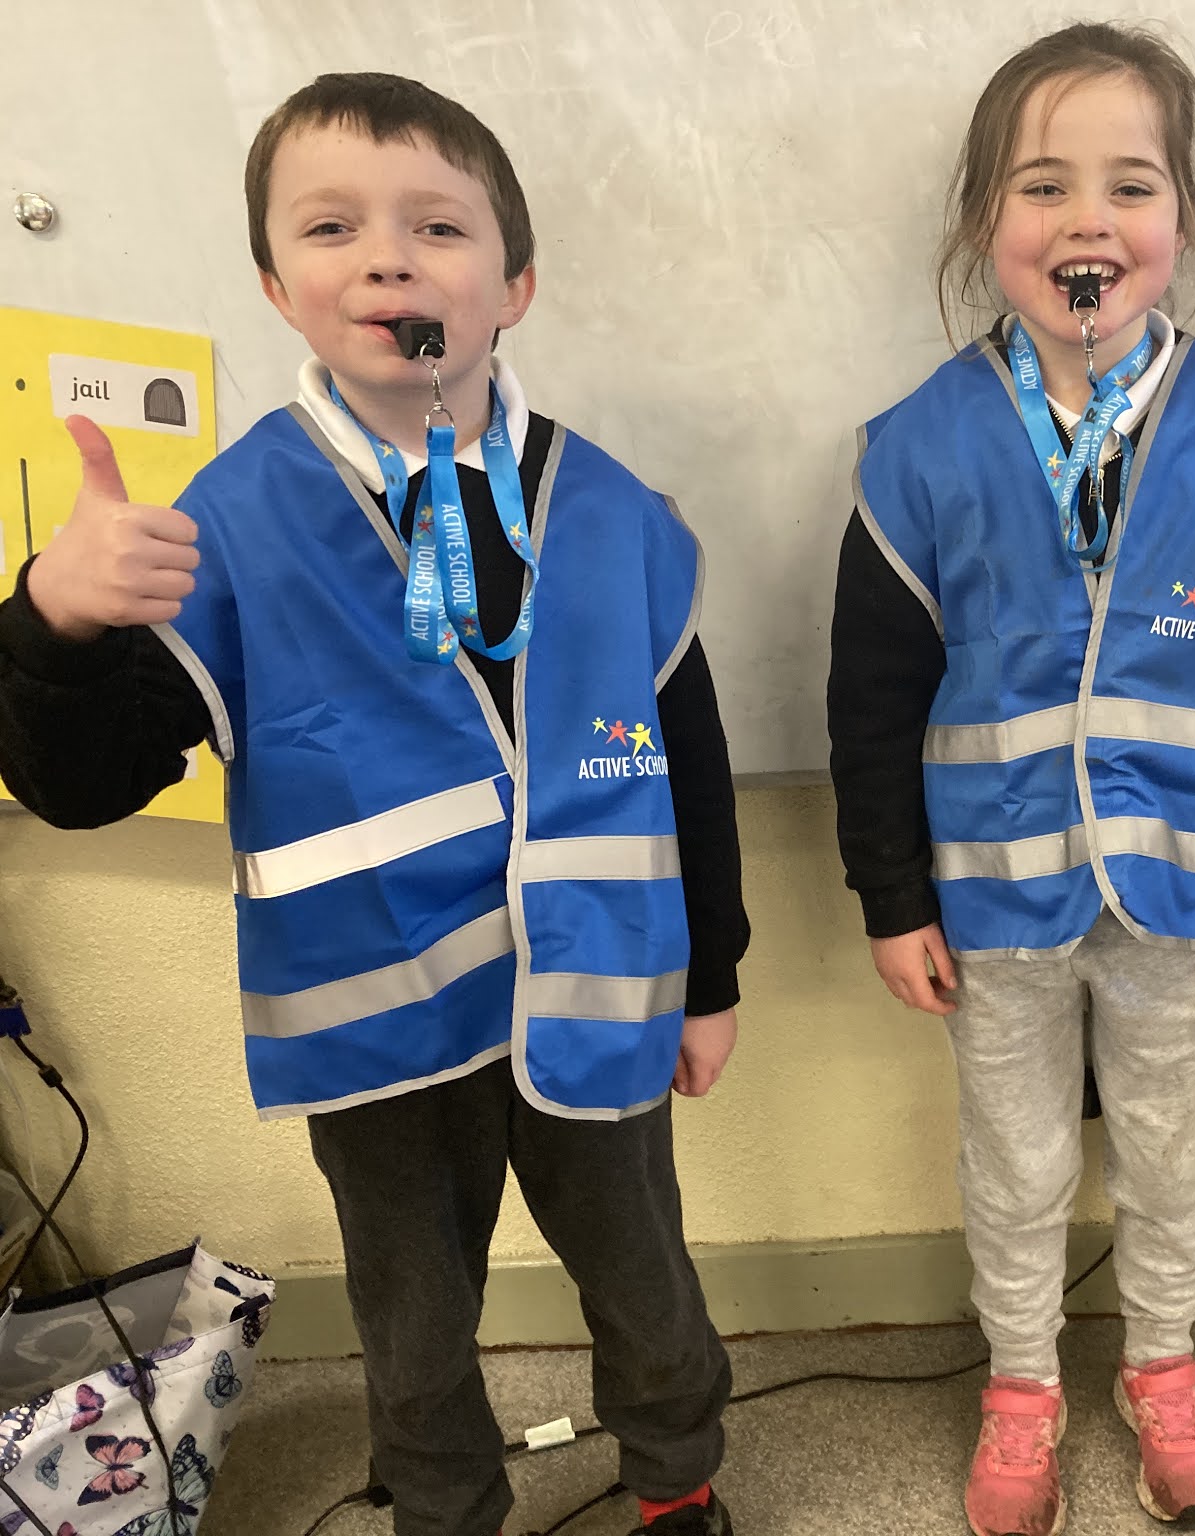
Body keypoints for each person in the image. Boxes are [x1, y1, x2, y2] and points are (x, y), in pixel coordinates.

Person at [0, 73, 748, 1536]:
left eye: (438, 227)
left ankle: (679, 1487)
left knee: (647, 1281)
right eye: (334, 227)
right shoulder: (223, 523)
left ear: (512, 284)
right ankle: (443, 1510)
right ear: (279, 287)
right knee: (413, 1331)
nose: (389, 259)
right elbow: (78, 787)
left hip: (596, 986)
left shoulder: (613, 512)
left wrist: (708, 974)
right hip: (374, 1027)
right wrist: (48, 622)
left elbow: (693, 756)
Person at [827, 22, 1195, 1536]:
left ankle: (1165, 1363)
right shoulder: (916, 449)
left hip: (1182, 887)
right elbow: (870, 700)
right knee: (1016, 1155)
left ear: (1181, 222)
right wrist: (889, 896)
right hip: (990, 890)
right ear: (987, 225)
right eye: (1043, 187)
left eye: (1130, 185)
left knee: (1175, 1142)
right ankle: (1023, 1382)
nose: (1087, 224)